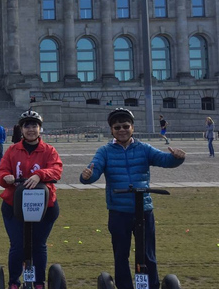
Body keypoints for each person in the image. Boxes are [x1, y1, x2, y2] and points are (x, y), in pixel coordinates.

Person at [80, 108, 186, 289]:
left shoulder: (143, 148)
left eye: (126, 126)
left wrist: (177, 158)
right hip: (119, 210)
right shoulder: (105, 151)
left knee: (148, 254)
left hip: (143, 209)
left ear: (133, 128)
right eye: (117, 127)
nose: (122, 130)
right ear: (111, 130)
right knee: (121, 254)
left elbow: (163, 160)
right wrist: (87, 176)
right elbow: (94, 171)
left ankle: (151, 285)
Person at [0, 110, 63, 289]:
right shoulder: (12, 150)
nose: (31, 129)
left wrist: (40, 175)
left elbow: (57, 170)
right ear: (21, 129)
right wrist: (6, 177)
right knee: (17, 245)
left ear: (40, 128)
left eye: (34, 125)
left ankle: (39, 282)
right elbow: (1, 172)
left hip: (44, 206)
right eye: (27, 126)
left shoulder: (49, 150)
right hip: (14, 205)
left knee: (39, 245)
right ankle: (14, 282)